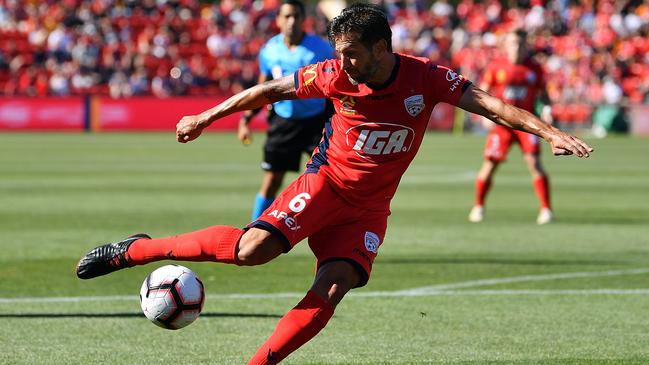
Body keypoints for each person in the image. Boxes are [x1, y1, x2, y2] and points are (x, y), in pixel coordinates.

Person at [76, 4, 593, 364]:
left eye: (352, 53)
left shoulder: (427, 78)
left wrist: (550, 133)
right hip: (325, 184)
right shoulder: (334, 75)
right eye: (339, 52)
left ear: (381, 47)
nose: (343, 63)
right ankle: (136, 252)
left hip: (369, 211)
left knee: (334, 285)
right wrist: (207, 115)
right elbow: (270, 88)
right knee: (252, 250)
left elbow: (493, 105)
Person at [238, 0, 334, 220]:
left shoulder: (320, 49)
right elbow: (262, 88)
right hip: (283, 122)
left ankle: (327, 233)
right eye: (287, 16)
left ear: (303, 20)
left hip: (316, 124)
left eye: (296, 16)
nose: (292, 21)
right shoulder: (270, 50)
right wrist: (246, 120)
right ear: (279, 20)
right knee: (272, 181)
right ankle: (253, 231)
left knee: (325, 181)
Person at [468, 30, 556, 225]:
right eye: (514, 43)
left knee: (534, 163)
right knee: (490, 165)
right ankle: (478, 206)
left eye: (521, 43)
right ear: (506, 45)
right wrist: (483, 114)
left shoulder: (535, 69)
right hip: (502, 125)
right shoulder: (496, 66)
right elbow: (482, 90)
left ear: (526, 45)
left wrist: (548, 108)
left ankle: (546, 210)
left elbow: (544, 94)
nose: (517, 47)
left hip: (528, 125)